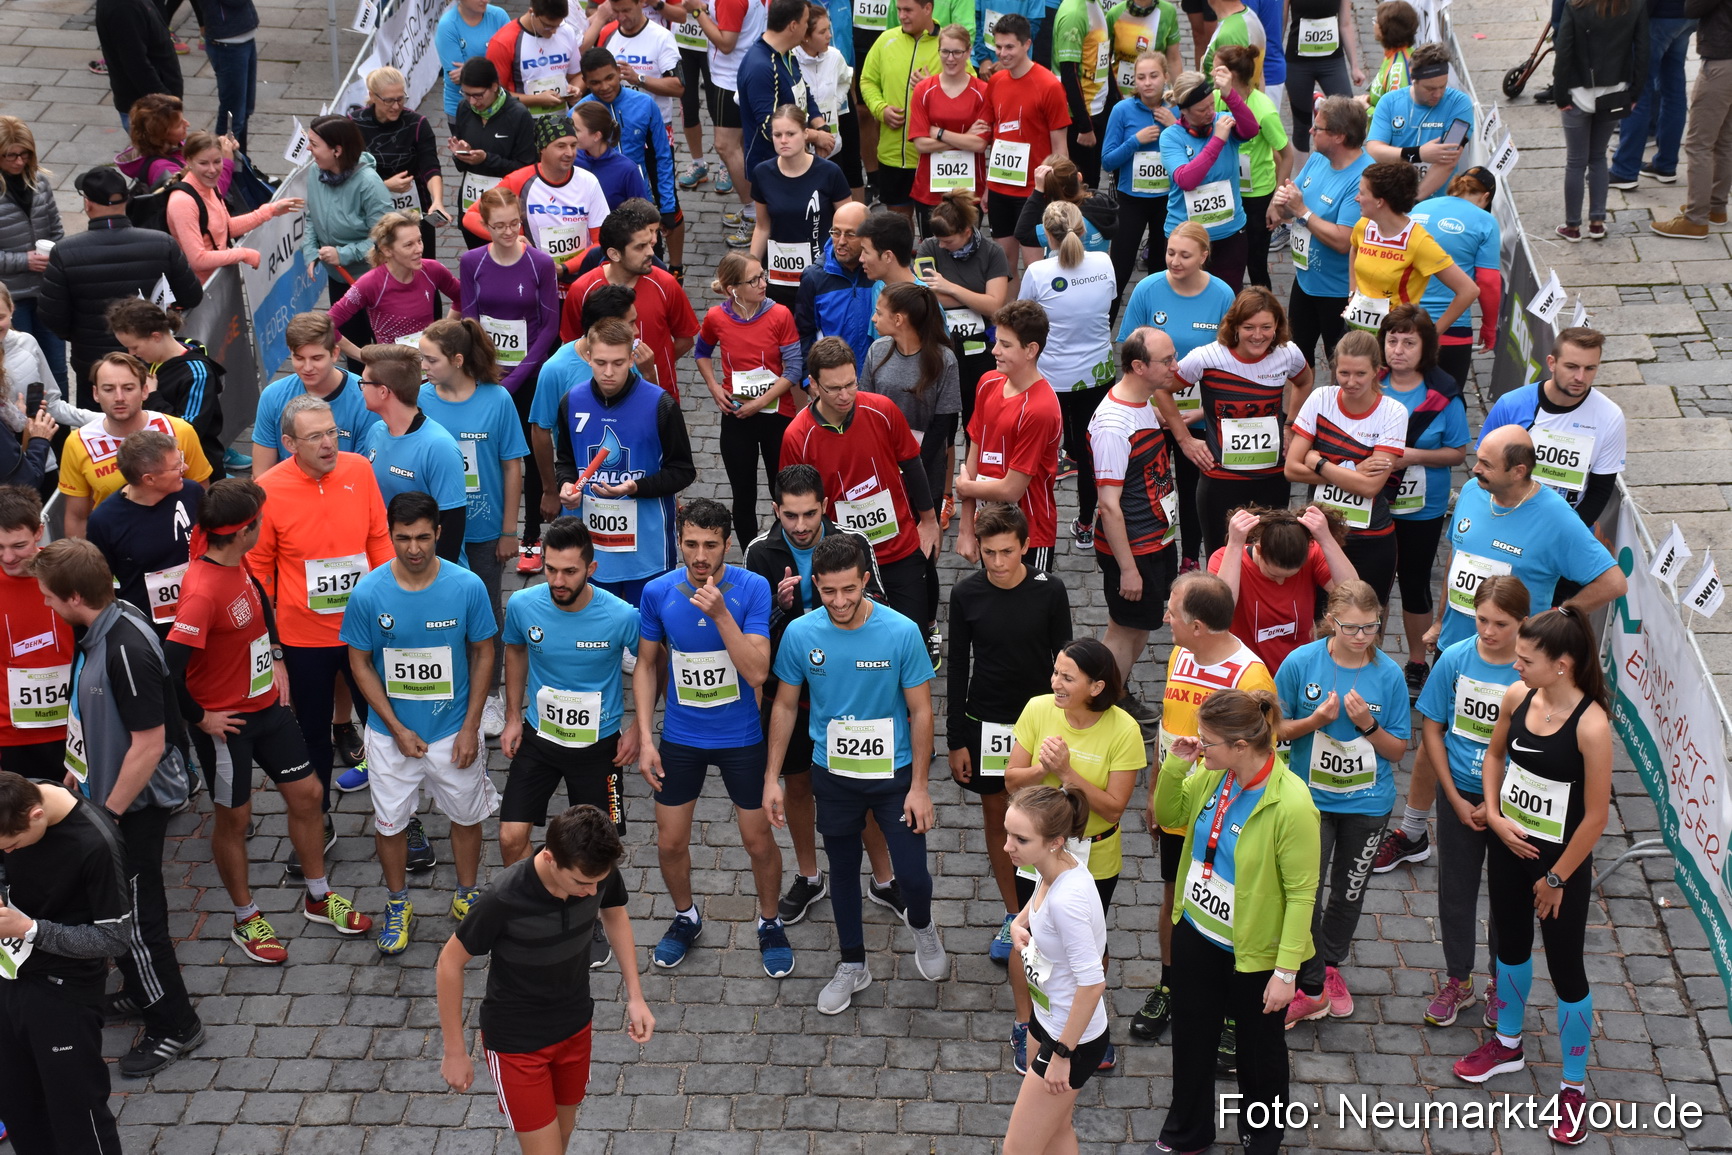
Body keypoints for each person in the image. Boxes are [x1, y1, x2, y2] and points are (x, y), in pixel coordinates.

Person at [1374, 426, 1627, 875]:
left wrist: (1558, 617)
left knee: (1509, 746)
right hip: (1457, 650)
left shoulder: (1554, 517)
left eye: (1487, 463)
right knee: (1439, 737)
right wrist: (1438, 620)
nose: (1475, 469)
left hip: (1518, 665)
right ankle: (1412, 832)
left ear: (1520, 470)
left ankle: (1513, 830)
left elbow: (1613, 581)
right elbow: (1457, 555)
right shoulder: (1473, 492)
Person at [165, 479, 373, 964]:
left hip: (268, 709)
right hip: (229, 724)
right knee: (234, 818)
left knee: (308, 795)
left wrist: (276, 654)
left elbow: (259, 599)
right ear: (244, 531)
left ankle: (318, 895)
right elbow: (166, 669)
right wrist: (202, 718)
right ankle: (245, 917)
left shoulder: (235, 564)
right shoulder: (201, 592)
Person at [32, 538, 204, 1078]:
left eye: (48, 597)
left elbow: (149, 743)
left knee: (133, 918)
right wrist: (77, 768)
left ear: (74, 596)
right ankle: (138, 990)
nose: (45, 606)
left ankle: (176, 1024)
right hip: (106, 795)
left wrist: (105, 816)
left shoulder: (123, 646)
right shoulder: (108, 621)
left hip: (132, 810)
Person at [1452, 607, 1613, 1146]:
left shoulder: (1591, 725)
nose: (1514, 665)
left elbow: (1595, 817)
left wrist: (1559, 878)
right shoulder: (1517, 698)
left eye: (1525, 659)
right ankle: (1508, 1042)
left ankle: (1572, 1089)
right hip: (1509, 849)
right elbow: (1496, 756)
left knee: (1567, 968)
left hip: (1560, 868)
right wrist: (1495, 815)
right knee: (1510, 949)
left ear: (1562, 665)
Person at [766, 533, 946, 1012]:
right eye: (828, 592)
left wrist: (922, 787)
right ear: (815, 586)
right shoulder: (801, 634)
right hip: (835, 777)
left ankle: (923, 927)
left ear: (865, 580)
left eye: (849, 589)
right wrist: (771, 779)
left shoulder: (902, 631)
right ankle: (853, 963)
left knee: (914, 876)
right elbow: (784, 705)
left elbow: (922, 712)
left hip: (895, 777)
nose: (840, 601)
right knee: (843, 871)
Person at [1151, 689, 1319, 1155]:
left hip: (1257, 952)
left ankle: (1261, 1138)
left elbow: (1304, 894)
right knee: (1191, 1038)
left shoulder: (1293, 803)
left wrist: (1287, 974)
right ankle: (1187, 1132)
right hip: (1198, 933)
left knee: (1259, 1053)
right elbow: (1169, 816)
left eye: (1208, 741)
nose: (1199, 745)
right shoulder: (1212, 775)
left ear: (1241, 746)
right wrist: (1174, 766)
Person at [436, 804, 654, 1155]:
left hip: (575, 1026)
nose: (591, 891)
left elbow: (614, 914)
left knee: (562, 1138)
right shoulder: (503, 898)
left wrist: (636, 996)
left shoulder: (597, 871)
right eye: (582, 883)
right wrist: (454, 1051)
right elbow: (449, 963)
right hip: (517, 1044)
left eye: (598, 882)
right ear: (551, 859)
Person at [632, 498, 792, 976]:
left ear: (727, 545)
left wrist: (721, 614)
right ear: (679, 541)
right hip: (682, 736)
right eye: (691, 544)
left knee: (757, 841)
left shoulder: (752, 589)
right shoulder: (657, 592)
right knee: (669, 841)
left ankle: (769, 921)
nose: (700, 555)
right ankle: (686, 917)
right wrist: (644, 736)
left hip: (741, 736)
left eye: (711, 545)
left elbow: (759, 672)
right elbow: (645, 664)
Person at [343, 491, 499, 956]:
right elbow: (360, 663)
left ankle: (467, 892)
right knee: (390, 824)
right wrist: (394, 727)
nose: (414, 548)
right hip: (393, 735)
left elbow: (484, 651)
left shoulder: (466, 586)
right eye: (403, 538)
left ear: (439, 533)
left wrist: (471, 726)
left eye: (423, 538)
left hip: (453, 730)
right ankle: (398, 902)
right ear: (389, 535)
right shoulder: (369, 592)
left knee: (467, 815)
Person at [742, 465, 899, 927]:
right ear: (776, 510)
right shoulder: (758, 551)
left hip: (847, 687)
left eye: (810, 513)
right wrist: (780, 609)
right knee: (798, 783)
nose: (801, 526)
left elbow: (883, 608)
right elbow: (755, 639)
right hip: (788, 690)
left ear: (825, 506)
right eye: (790, 516)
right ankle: (810, 876)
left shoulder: (854, 542)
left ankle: (886, 880)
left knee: (863, 785)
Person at [1136, 569, 1278, 1049]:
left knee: (1228, 902)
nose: (1164, 618)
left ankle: (1235, 1014)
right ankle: (1171, 986)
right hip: (1181, 803)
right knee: (1174, 895)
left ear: (1198, 624)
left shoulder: (1251, 677)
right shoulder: (1181, 653)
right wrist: (1157, 791)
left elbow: (1261, 759)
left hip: (1225, 815)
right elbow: (1169, 730)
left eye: (1172, 612)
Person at [248, 396, 394, 861]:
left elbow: (378, 539)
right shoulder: (268, 489)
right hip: (303, 637)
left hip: (364, 631)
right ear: (289, 443)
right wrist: (271, 645)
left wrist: (394, 610)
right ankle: (319, 817)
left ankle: (400, 817)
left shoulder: (358, 470)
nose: (329, 443)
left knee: (385, 726)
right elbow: (259, 571)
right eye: (316, 437)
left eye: (332, 432)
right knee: (311, 733)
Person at [1002, 639, 1142, 1074]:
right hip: (1037, 852)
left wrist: (1066, 773)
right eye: (1056, 672)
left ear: (1097, 686)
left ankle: (1086, 1031)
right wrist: (1044, 770)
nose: (1055, 683)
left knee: (1089, 947)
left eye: (1067, 677)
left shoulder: (1124, 729)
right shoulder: (1038, 709)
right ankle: (1027, 1025)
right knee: (1023, 933)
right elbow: (1011, 781)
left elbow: (1114, 807)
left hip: (1095, 855)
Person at [1273, 579, 1408, 1025]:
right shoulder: (1300, 663)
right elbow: (1275, 730)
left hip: (1367, 804)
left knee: (1349, 891)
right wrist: (1315, 720)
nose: (1360, 637)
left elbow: (1397, 750)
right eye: (1350, 628)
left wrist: (1368, 725)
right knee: (1305, 892)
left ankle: (1330, 967)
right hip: (1309, 799)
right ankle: (1309, 979)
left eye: (1370, 628)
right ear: (1330, 621)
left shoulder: (1388, 674)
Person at [947, 501, 1072, 961]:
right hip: (986, 722)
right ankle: (1012, 912)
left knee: (1044, 815)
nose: (997, 563)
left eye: (1006, 552)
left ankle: (1049, 907)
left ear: (1025, 547)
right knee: (1000, 817)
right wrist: (955, 738)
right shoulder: (965, 595)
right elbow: (958, 666)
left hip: (1040, 724)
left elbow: (1066, 664)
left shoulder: (1051, 591)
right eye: (988, 552)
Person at [499, 513, 639, 892]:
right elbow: (514, 650)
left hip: (599, 749)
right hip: (540, 739)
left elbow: (652, 665)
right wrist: (513, 717)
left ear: (591, 568)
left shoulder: (621, 616)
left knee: (600, 849)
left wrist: (639, 729)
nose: (558, 581)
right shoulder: (523, 605)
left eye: (570, 572)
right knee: (511, 838)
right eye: (551, 569)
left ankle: (589, 915)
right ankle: (542, 903)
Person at [1415, 575, 1528, 1028]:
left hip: (1511, 802)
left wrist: (1496, 805)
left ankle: (1502, 981)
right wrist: (1457, 799)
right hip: (1459, 792)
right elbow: (1432, 729)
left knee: (1508, 898)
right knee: (1456, 892)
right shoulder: (1457, 660)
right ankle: (1458, 980)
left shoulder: (1529, 671)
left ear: (1523, 622)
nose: (1488, 631)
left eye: (1501, 623)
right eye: (1481, 620)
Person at [0, 773, 131, 1155]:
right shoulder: (15, 798)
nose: (7, 853)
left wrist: (31, 929)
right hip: (10, 976)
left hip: (64, 991)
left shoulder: (96, 844)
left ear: (37, 816)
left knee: (78, 1113)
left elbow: (114, 939)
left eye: (12, 846)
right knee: (18, 1102)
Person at [418, 318, 532, 730]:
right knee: (439, 612)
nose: (423, 365)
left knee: (487, 614)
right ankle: (451, 687)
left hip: (483, 534)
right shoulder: (420, 399)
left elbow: (512, 466)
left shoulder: (497, 399)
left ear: (458, 359)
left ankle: (491, 696)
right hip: (434, 534)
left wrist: (508, 530)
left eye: (430, 358)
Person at [783, 334, 941, 629]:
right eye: (834, 389)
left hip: (898, 548)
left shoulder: (882, 409)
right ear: (813, 384)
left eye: (850, 384)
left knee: (910, 633)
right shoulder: (797, 436)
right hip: (843, 558)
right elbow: (795, 502)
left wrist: (929, 521)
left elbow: (912, 463)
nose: (845, 395)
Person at [551, 316, 696, 605]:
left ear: (632, 358)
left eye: (618, 363)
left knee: (649, 637)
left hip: (646, 551)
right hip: (587, 550)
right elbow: (565, 460)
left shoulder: (661, 405)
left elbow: (682, 471)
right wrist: (565, 484)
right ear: (588, 357)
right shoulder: (572, 401)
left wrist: (635, 488)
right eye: (601, 362)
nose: (608, 372)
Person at [1117, 221, 1236, 570]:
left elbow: (1228, 362)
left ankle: (1189, 557)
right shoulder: (1147, 289)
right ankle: (1149, 549)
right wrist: (1146, 405)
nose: (1175, 261)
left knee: (1193, 486)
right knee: (1147, 484)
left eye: (1185, 255)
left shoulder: (1223, 295)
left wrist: (1201, 413)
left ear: (1204, 255)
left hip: (1198, 415)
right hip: (1149, 412)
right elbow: (1129, 356)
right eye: (1170, 252)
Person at [1001, 785, 1113, 1149]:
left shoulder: (1069, 901)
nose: (1007, 846)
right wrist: (1019, 924)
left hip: (1072, 1040)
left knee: (1017, 1149)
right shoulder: (1058, 865)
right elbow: (1040, 894)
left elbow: (1093, 984)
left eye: (1020, 839)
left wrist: (1063, 1055)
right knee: (1057, 1130)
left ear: (1054, 841)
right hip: (1047, 1019)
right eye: (1007, 833)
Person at [37, 168, 202, 407]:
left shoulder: (64, 252)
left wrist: (81, 334)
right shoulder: (162, 243)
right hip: (152, 362)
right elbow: (192, 295)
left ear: (88, 203)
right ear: (126, 200)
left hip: (95, 365)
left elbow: (52, 316)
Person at [1170, 286, 1313, 559]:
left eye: (1266, 327)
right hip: (1221, 480)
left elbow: (1305, 381)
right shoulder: (1208, 357)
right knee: (1221, 557)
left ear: (1278, 326)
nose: (1258, 335)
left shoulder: (1288, 353)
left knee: (1269, 554)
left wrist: (1291, 425)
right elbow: (1163, 388)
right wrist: (1184, 439)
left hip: (1272, 477)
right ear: (1234, 326)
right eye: (1249, 327)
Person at [458, 190, 561, 551]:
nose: (507, 232)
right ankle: (489, 529)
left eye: (514, 223)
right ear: (484, 226)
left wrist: (515, 379)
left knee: (530, 455)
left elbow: (550, 327)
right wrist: (483, 369)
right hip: (485, 372)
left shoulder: (540, 263)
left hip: (529, 375)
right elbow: (469, 318)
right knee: (485, 451)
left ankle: (531, 535)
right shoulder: (472, 262)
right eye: (498, 226)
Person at [1376, 305, 1468, 693]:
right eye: (1392, 340)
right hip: (1371, 500)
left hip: (1422, 507)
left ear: (1425, 347)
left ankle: (1416, 661)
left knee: (1414, 582)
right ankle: (1367, 658)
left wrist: (1411, 456)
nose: (1398, 349)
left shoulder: (1444, 393)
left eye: (1409, 342)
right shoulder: (1368, 381)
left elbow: (1458, 452)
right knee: (1371, 584)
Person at [1088, 326, 1180, 704]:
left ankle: (1116, 689)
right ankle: (1102, 701)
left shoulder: (1143, 402)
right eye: (1168, 360)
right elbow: (1109, 505)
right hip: (1135, 550)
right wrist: (1128, 568)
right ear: (1139, 366)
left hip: (1156, 538)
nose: (1176, 366)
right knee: (1124, 630)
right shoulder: (1113, 426)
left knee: (1139, 625)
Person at [1284, 330, 1407, 607]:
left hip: (1370, 537)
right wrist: (1354, 471)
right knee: (1317, 618)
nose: (1351, 382)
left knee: (1366, 617)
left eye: (1360, 374)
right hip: (1319, 532)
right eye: (1344, 373)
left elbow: (1370, 487)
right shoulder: (1320, 399)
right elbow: (1291, 469)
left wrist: (1318, 462)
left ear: (1377, 370)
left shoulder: (1394, 412)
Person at [1019, 201, 1116, 549]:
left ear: (1047, 234)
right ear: (1083, 229)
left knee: (1039, 453)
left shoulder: (1038, 272)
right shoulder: (1105, 262)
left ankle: (1035, 523)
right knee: (1093, 455)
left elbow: (1023, 318)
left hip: (1050, 380)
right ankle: (1088, 523)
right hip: (1098, 374)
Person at [696, 253, 803, 545]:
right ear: (733, 289)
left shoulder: (780, 314)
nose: (763, 283)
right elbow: (701, 352)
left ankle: (788, 549)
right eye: (754, 279)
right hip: (737, 417)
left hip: (777, 416)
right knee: (743, 495)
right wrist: (714, 388)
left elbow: (793, 369)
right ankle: (750, 558)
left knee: (783, 491)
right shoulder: (717, 317)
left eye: (762, 275)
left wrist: (759, 403)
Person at [955, 299, 1065, 571]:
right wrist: (966, 528)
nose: (995, 351)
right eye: (997, 341)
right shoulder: (988, 382)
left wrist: (965, 487)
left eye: (1005, 345)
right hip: (988, 526)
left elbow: (1011, 489)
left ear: (1031, 350)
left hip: (1027, 534)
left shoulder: (1040, 409)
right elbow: (974, 456)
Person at [1479, 327, 1625, 528]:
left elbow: (1600, 491)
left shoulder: (1610, 416)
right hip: (1506, 520)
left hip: (1565, 530)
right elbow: (1484, 471)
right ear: (1552, 363)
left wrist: (1563, 534)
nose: (1580, 378)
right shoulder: (1511, 405)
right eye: (1572, 367)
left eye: (1590, 368)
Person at [58, 353, 212, 541]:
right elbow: (77, 517)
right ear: (95, 394)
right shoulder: (78, 443)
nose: (119, 397)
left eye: (128, 388)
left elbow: (202, 497)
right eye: (108, 389)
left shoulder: (180, 431)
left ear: (145, 391)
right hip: (115, 549)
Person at [559, 198, 699, 397]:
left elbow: (685, 339)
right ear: (614, 254)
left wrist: (655, 364)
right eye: (640, 247)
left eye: (649, 243)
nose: (651, 252)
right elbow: (572, 348)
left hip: (658, 394)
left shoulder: (666, 285)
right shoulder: (582, 290)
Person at [1270, 96, 1372, 368]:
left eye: (1319, 128)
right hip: (1305, 280)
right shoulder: (1318, 159)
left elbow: (1343, 240)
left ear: (1339, 136)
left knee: (1342, 363)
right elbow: (1292, 201)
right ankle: (1294, 413)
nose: (1311, 131)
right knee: (1295, 359)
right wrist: (1282, 204)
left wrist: (1301, 211)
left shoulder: (1363, 178)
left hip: (1338, 291)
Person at [916, 191, 1010, 479]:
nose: (942, 246)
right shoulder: (928, 247)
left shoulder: (992, 253)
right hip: (939, 350)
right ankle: (944, 494)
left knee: (977, 425)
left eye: (949, 241)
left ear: (967, 232)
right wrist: (976, 296)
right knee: (941, 429)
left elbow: (995, 307)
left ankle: (978, 485)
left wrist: (949, 286)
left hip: (979, 352)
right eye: (940, 241)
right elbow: (926, 299)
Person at [355, 344, 469, 565]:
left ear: (383, 391)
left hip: (429, 575)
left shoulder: (438, 447)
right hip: (390, 568)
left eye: (364, 383)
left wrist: (430, 585)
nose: (361, 389)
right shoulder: (376, 432)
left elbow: (451, 528)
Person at [459, 116, 612, 278]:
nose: (569, 153)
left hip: (579, 277)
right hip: (534, 276)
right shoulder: (518, 180)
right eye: (561, 146)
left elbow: (600, 240)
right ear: (542, 149)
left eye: (573, 145)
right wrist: (512, 237)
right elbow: (470, 216)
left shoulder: (588, 181)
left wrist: (564, 267)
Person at [1209, 503, 1357, 671]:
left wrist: (1326, 539)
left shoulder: (1313, 553)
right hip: (1246, 676)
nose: (1281, 582)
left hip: (1298, 672)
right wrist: (1235, 544)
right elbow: (1220, 613)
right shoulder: (1225, 558)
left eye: (1291, 576)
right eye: (1274, 575)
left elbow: (1353, 594)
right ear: (1259, 550)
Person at [979, 15, 1072, 280]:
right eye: (998, 46)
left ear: (1027, 44)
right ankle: (1007, 320)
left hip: (1035, 191)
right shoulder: (996, 82)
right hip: (999, 188)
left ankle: (1036, 320)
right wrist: (988, 186)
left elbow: (1060, 149)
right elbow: (997, 137)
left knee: (1036, 267)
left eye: (1009, 47)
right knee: (1004, 268)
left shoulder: (1050, 86)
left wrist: (1058, 196)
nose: (1002, 53)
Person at [85, 430, 201, 637]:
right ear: (149, 479)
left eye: (181, 459)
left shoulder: (193, 492)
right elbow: (100, 587)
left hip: (199, 616)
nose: (186, 467)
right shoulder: (105, 520)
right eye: (176, 466)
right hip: (149, 632)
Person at [578, 51, 686, 273]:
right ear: (585, 82)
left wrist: (666, 205)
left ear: (619, 72)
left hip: (639, 202)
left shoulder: (645, 104)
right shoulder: (578, 114)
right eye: (595, 82)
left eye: (609, 77)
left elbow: (662, 156)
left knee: (649, 267)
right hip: (596, 210)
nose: (605, 86)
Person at [1345, 162, 1478, 339]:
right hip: (1355, 330)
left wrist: (1430, 337)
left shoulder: (1419, 242)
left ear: (1380, 201)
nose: (1356, 198)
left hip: (1392, 340)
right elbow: (1354, 250)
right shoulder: (1364, 225)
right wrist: (1352, 293)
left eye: (1362, 193)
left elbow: (1469, 290)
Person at [1550, 0, 1648, 241]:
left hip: (1577, 92)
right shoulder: (1634, 5)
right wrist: (1635, 91)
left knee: (1575, 161)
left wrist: (1559, 93)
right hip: (1615, 91)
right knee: (1598, 157)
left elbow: (1563, 51)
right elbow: (1644, 50)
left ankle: (1572, 226)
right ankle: (1597, 222)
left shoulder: (1575, 5)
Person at [302, 115, 395, 357]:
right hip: (340, 279)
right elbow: (312, 216)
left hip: (371, 281)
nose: (309, 150)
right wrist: (311, 252)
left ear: (337, 150)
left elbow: (383, 239)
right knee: (353, 348)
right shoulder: (315, 172)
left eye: (314, 144)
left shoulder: (370, 184)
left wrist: (341, 254)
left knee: (383, 349)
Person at [1161, 67, 1261, 291]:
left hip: (1230, 234)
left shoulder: (1222, 120)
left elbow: (1251, 129)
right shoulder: (1171, 137)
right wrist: (1217, 140)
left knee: (1227, 300)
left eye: (1211, 104)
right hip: (1186, 239)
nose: (1210, 112)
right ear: (1183, 111)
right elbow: (1186, 179)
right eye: (1201, 109)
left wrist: (1230, 96)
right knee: (1185, 298)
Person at [106, 297, 226, 479]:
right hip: (155, 465)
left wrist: (153, 396)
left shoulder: (198, 373)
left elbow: (188, 430)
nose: (131, 354)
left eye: (134, 347)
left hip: (193, 470)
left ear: (156, 336)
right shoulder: (151, 361)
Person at [250, 312, 382, 475]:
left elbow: (362, 473)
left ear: (334, 354)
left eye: (316, 358)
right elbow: (262, 474)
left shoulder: (365, 399)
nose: (307, 367)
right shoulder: (272, 396)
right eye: (299, 358)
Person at [161, 131, 303, 278]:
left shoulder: (210, 187)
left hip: (219, 284)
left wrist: (270, 210)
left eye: (217, 161)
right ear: (189, 161)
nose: (212, 170)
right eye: (203, 163)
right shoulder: (182, 202)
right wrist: (242, 253)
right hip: (199, 293)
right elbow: (197, 259)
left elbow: (225, 227)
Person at [0, 489, 72, 777]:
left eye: (18, 545)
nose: (8, 557)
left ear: (39, 532)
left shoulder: (68, 572)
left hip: (74, 727)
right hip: (11, 736)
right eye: (0, 547)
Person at [1408, 167, 1502, 387]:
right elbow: (1488, 282)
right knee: (1449, 402)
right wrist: (1489, 327)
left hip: (1406, 320)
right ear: (1486, 197)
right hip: (1451, 328)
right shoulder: (1485, 222)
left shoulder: (1419, 209)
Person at [752, 106, 854, 308]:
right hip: (778, 277)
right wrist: (750, 268)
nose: (783, 140)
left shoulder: (830, 173)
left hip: (822, 275)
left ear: (806, 133)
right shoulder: (762, 173)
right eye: (777, 134)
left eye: (790, 134)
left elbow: (851, 224)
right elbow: (762, 226)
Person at [689, 0, 771, 246]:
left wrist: (697, 12)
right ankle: (757, 209)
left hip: (730, 78)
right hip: (739, 72)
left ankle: (753, 213)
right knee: (744, 146)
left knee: (726, 145)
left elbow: (726, 43)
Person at [329, 213, 463, 361]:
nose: (419, 249)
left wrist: (442, 332)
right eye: (409, 245)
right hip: (392, 375)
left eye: (419, 240)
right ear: (387, 250)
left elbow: (462, 297)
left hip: (428, 370)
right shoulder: (370, 283)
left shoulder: (433, 270)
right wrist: (364, 357)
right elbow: (327, 324)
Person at [350, 66, 446, 261]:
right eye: (389, 100)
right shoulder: (354, 123)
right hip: (372, 209)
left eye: (400, 99)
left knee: (421, 266)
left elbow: (430, 166)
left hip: (415, 207)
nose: (395, 106)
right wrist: (384, 187)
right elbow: (349, 173)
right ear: (372, 96)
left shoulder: (417, 123)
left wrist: (437, 200)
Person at [0, 118, 68, 395]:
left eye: (25, 154)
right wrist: (23, 260)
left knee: (57, 368)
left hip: (46, 292)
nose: (19, 161)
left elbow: (56, 229)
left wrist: (56, 254)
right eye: (10, 155)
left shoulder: (39, 182)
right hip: (12, 297)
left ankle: (63, 433)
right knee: (22, 372)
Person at [1102, 51, 1178, 300]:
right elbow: (1107, 160)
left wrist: (1174, 126)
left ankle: (1157, 326)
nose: (1147, 82)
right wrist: (1135, 141)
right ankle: (1105, 328)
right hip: (1131, 200)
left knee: (1161, 270)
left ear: (1166, 77)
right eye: (1141, 77)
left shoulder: (1176, 111)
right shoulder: (1122, 110)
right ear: (1134, 80)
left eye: (1154, 76)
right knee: (1120, 269)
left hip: (1167, 201)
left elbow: (1193, 155)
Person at [860, 0, 945, 219]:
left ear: (927, 9)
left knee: (933, 225)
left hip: (931, 155)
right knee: (898, 224)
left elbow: (968, 87)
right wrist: (881, 109)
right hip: (892, 155)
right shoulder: (886, 40)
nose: (902, 16)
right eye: (899, 10)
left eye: (908, 10)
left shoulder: (946, 44)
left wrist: (933, 86)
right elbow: (867, 81)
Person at [1216, 45, 1291, 290]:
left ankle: (1266, 315)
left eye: (1216, 69)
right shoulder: (1216, 99)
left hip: (1257, 195)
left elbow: (1286, 154)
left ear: (1231, 75)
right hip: (1225, 190)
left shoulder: (1264, 110)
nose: (1210, 73)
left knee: (1256, 263)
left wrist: (1276, 202)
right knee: (1224, 258)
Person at [450, 57, 541, 247]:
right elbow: (460, 166)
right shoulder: (464, 108)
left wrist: (486, 159)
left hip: (504, 212)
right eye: (466, 94)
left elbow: (526, 168)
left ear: (494, 86)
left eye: (478, 95)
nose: (473, 102)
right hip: (470, 204)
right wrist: (461, 155)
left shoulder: (518, 115)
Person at [1366, 42, 1474, 200]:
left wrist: (1413, 201)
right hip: (1393, 195)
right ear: (1413, 78)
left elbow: (1449, 160)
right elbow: (1374, 149)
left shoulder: (1460, 104)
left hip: (1435, 201)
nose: (1437, 94)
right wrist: (1418, 154)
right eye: (1430, 89)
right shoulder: (1389, 102)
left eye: (1442, 87)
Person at [739, 0, 829, 187]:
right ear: (793, 26)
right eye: (805, 22)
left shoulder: (787, 54)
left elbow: (804, 92)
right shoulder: (760, 67)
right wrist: (814, 136)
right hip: (772, 171)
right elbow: (769, 127)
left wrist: (821, 126)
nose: (806, 28)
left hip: (794, 162)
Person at [1609, 0, 1696, 191]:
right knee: (1673, 89)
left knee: (1638, 90)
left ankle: (1625, 170)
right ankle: (1666, 165)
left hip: (1658, 16)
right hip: (1687, 14)